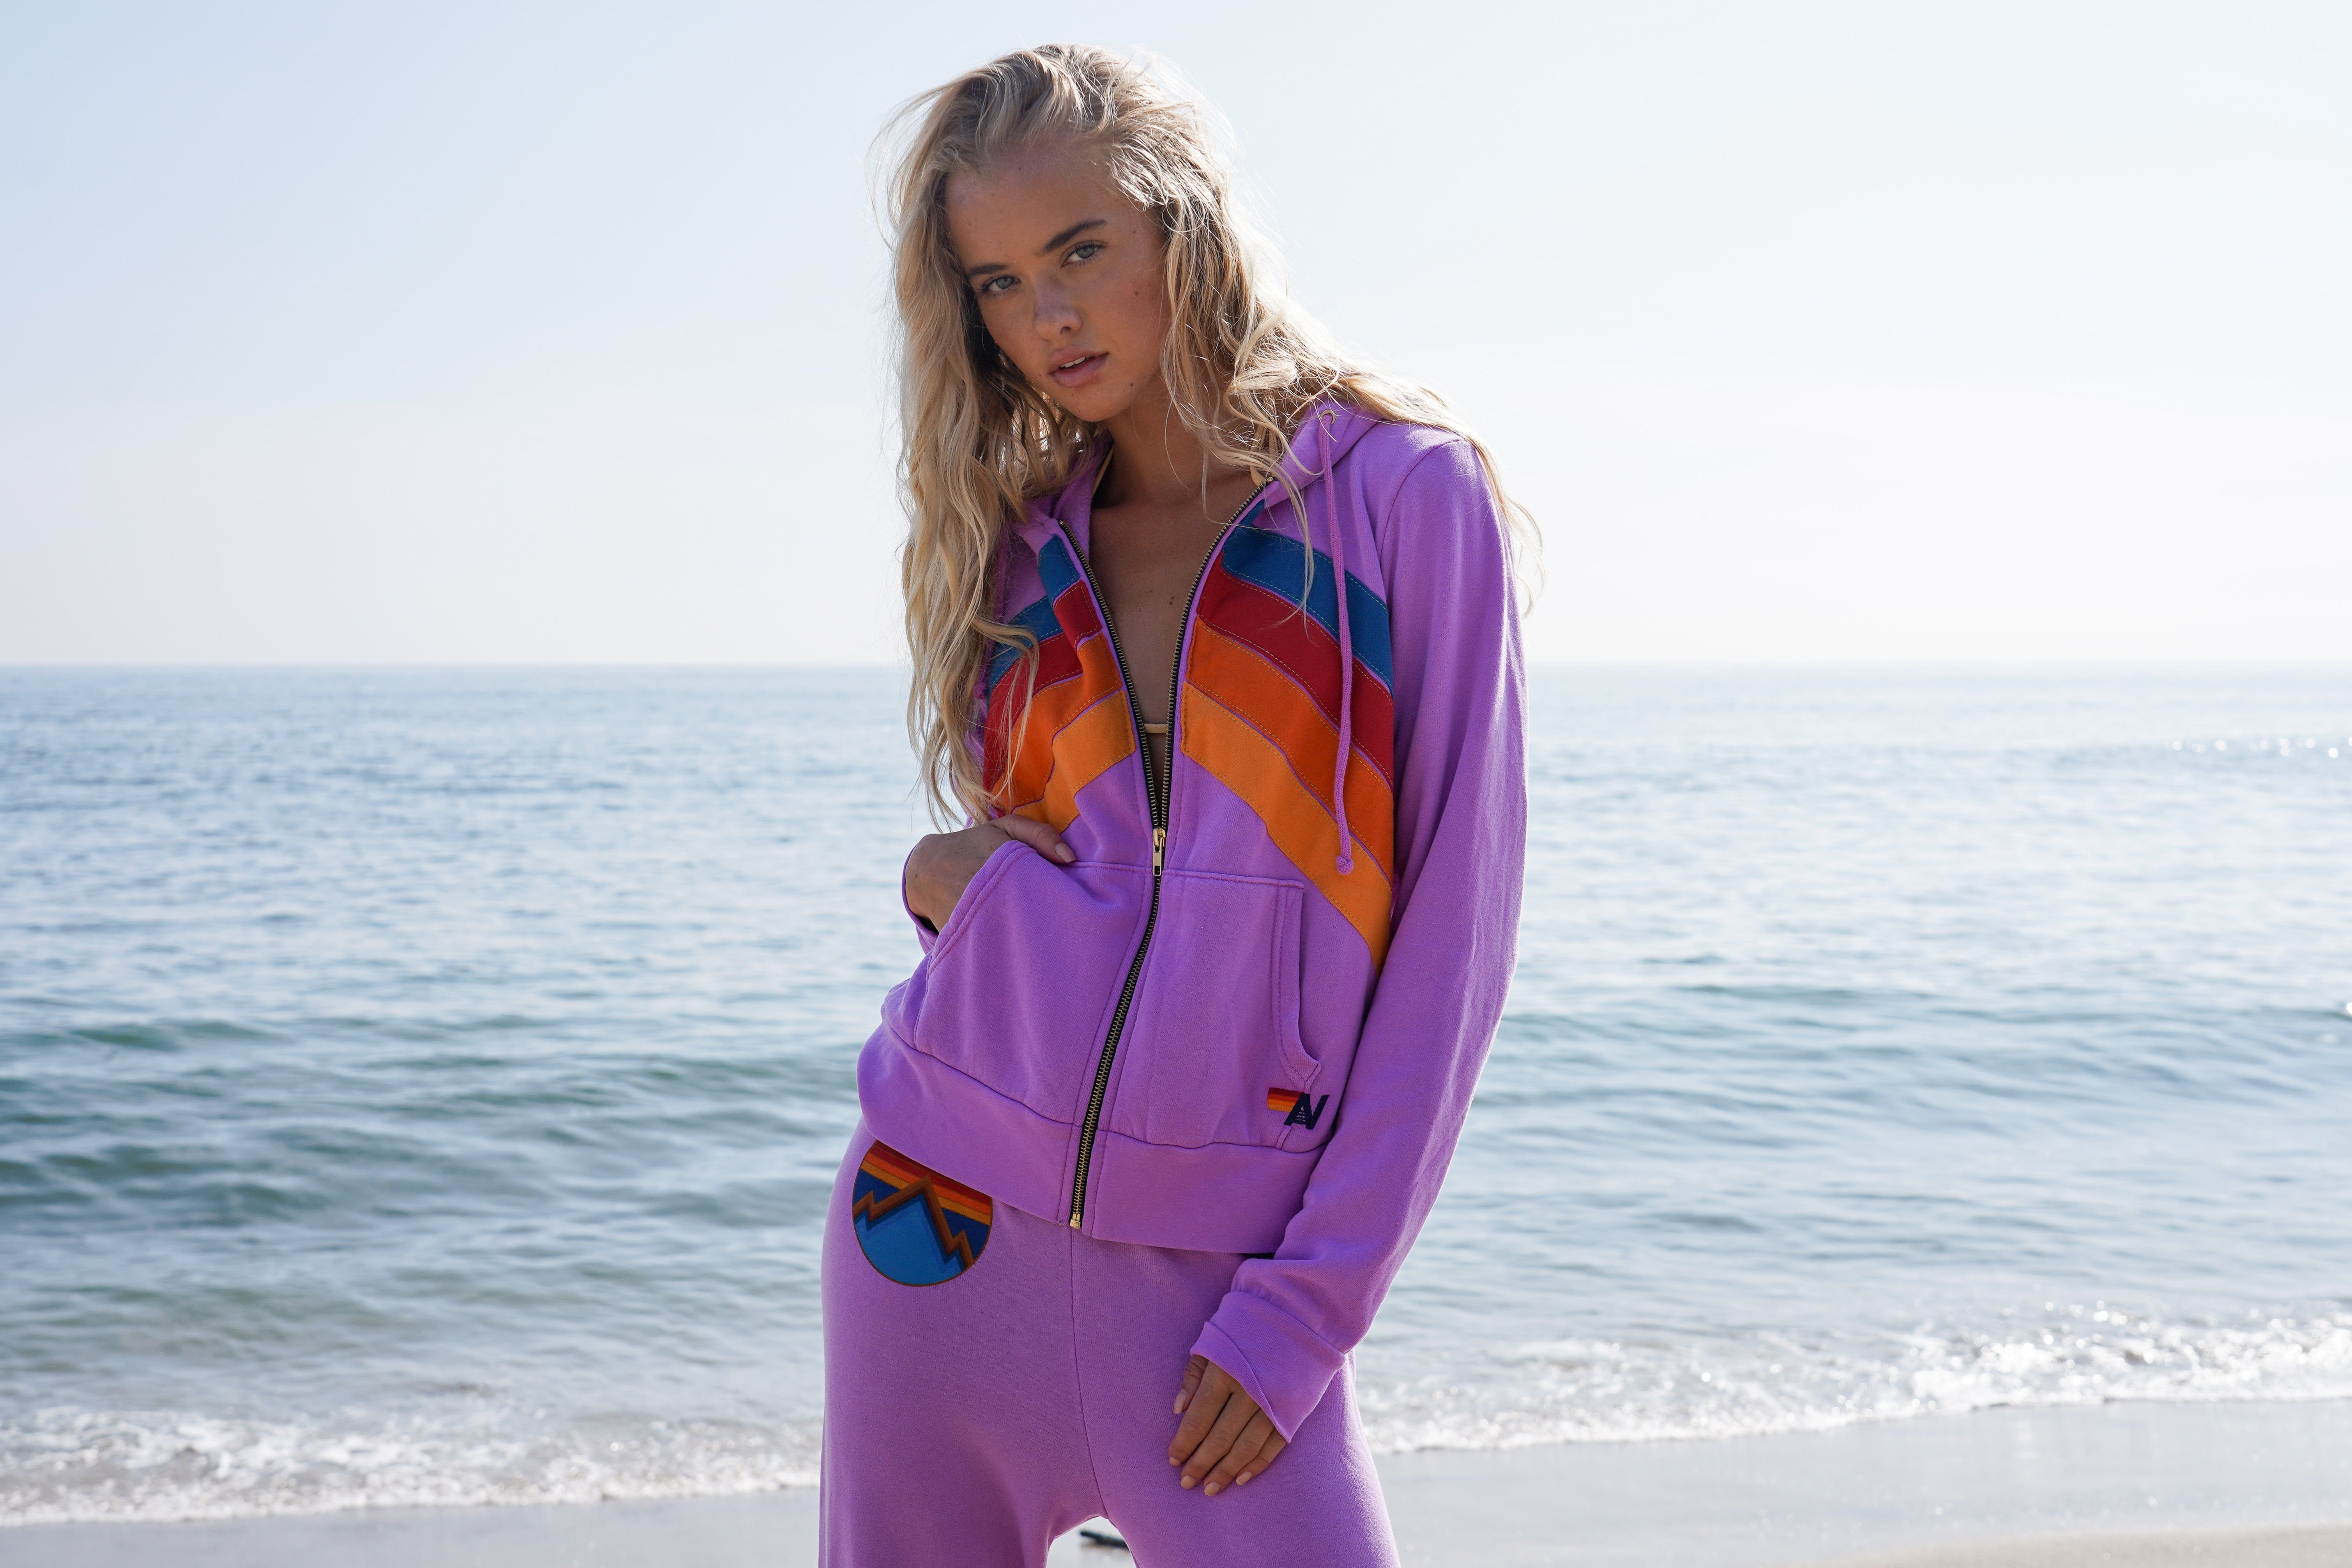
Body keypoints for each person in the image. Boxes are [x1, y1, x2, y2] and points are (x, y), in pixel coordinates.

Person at [823, 43, 1528, 1567]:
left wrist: (1309, 1310)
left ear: (1182, 228)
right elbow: (1063, 877)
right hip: (936, 1233)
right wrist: (966, 886)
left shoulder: (1403, 499)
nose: (1050, 314)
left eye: (1080, 250)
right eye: (999, 282)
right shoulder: (1016, 550)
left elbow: (1451, 948)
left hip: (1225, 1289)